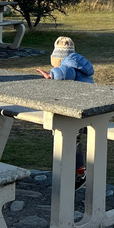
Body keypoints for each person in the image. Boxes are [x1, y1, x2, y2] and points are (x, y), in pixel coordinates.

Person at [35, 36, 94, 189]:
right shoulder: (78, 62)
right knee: (71, 137)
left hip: (77, 111)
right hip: (84, 107)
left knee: (71, 138)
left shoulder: (68, 65)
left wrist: (51, 75)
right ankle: (73, 170)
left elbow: (64, 73)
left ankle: (79, 174)